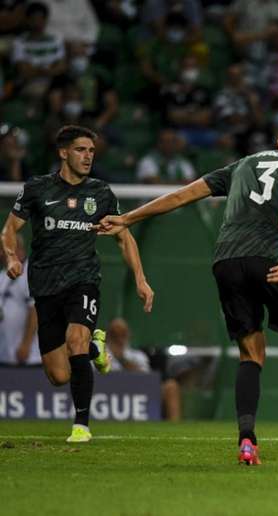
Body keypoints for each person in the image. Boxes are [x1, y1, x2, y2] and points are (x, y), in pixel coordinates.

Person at [96, 114, 278, 466]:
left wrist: (128, 217)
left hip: (226, 261)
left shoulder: (243, 164)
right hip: (269, 258)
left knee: (250, 355)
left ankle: (247, 442)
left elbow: (185, 193)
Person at [1, 125, 154, 443]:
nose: (87, 157)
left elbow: (124, 238)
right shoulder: (37, 189)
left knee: (76, 340)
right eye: (81, 150)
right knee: (58, 375)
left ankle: (81, 425)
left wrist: (141, 279)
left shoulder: (100, 193)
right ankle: (97, 347)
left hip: (83, 280)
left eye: (91, 151)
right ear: (63, 152)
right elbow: (9, 230)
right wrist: (12, 258)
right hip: (44, 287)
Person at [105, 317, 182, 422]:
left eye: (122, 333)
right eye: (115, 334)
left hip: (137, 394)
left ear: (128, 334)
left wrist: (121, 358)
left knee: (171, 386)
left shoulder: (138, 356)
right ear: (109, 335)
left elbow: (146, 380)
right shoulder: (98, 354)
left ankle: (175, 429)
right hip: (108, 395)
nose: (119, 337)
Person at [0, 234, 41, 366]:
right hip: (5, 354)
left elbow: (35, 310)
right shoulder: (3, 275)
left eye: (3, 249)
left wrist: (26, 345)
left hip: (29, 357)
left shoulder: (30, 273)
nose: (1, 253)